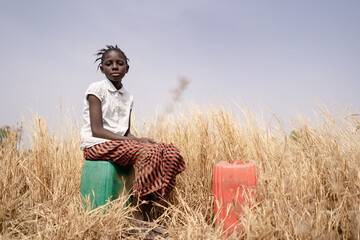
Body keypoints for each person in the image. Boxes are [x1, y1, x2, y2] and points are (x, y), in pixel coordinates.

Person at [80, 45, 185, 231]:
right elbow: (97, 130)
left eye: (120, 63)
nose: (114, 67)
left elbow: (125, 132)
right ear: (102, 68)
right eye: (109, 63)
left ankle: (147, 211)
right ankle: (136, 218)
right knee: (149, 153)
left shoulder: (128, 97)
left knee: (170, 152)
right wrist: (135, 143)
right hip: (97, 144)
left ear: (127, 69)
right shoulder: (96, 89)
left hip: (119, 144)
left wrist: (139, 139)